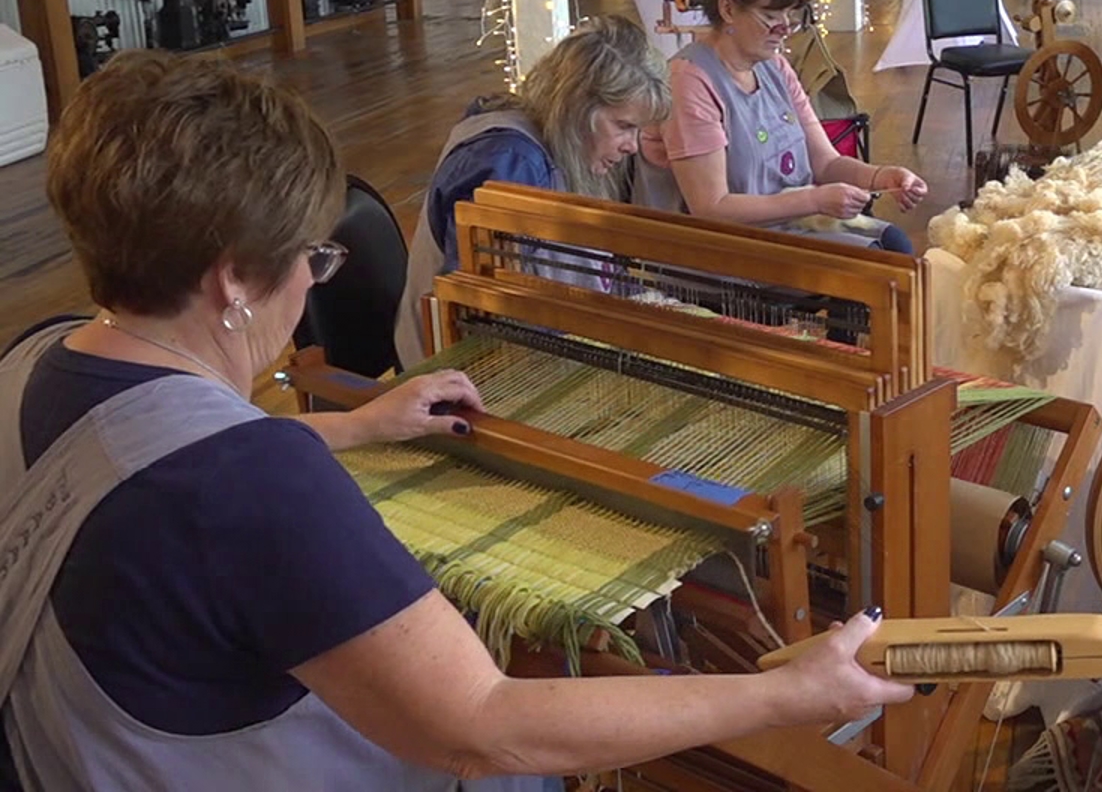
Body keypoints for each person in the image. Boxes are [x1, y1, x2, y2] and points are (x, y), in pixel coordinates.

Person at [0, 52, 912, 791]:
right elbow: (486, 729)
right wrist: (785, 692)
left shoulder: (44, 366)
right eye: (311, 258)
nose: (313, 280)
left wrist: (358, 427)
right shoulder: (254, 482)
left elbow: (152, 471)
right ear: (232, 277)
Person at [397, 15, 671, 369]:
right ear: (577, 108)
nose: (631, 146)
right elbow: (481, 313)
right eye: (623, 126)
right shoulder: (509, 162)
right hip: (461, 377)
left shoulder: (559, 151)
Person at [636, 0, 927, 252]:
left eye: (790, 15)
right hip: (726, 245)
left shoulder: (774, 66)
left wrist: (882, 177)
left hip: (789, 225)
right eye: (771, 16)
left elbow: (825, 163)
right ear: (728, 10)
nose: (784, 29)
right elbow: (711, 208)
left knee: (894, 244)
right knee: (878, 266)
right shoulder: (689, 81)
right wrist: (813, 199)